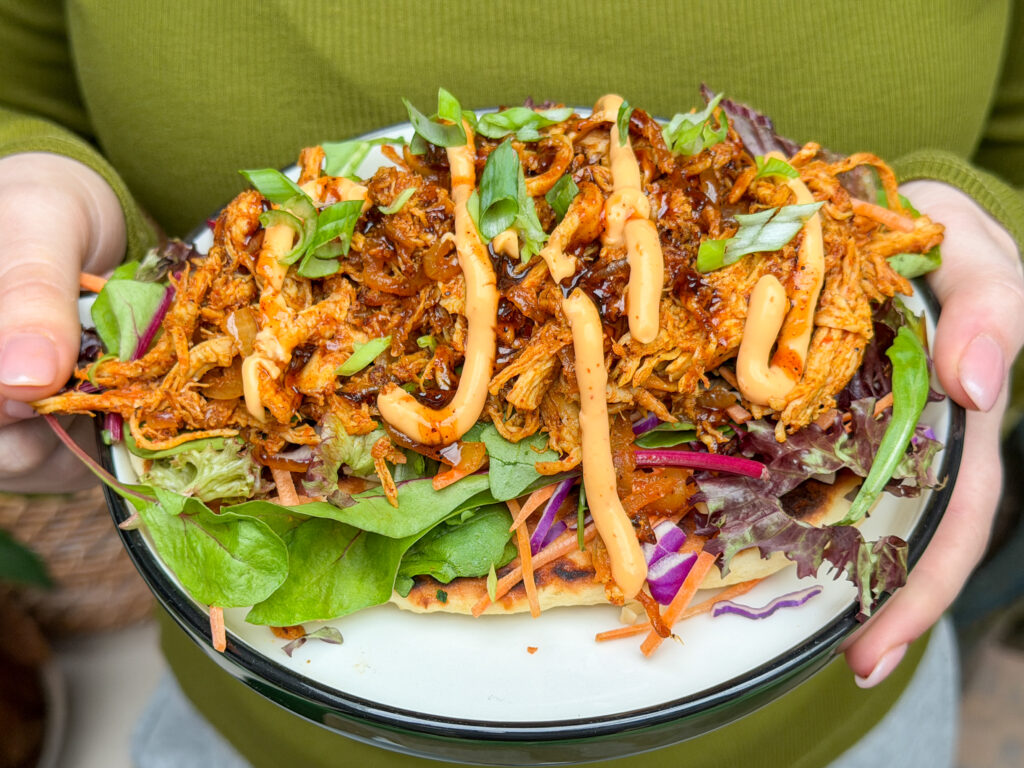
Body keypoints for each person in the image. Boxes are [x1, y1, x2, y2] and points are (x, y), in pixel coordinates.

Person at [1, 1, 1022, 766]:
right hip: (264, 729)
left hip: (818, 735)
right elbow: (21, 82)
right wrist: (36, 189)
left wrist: (978, 241)